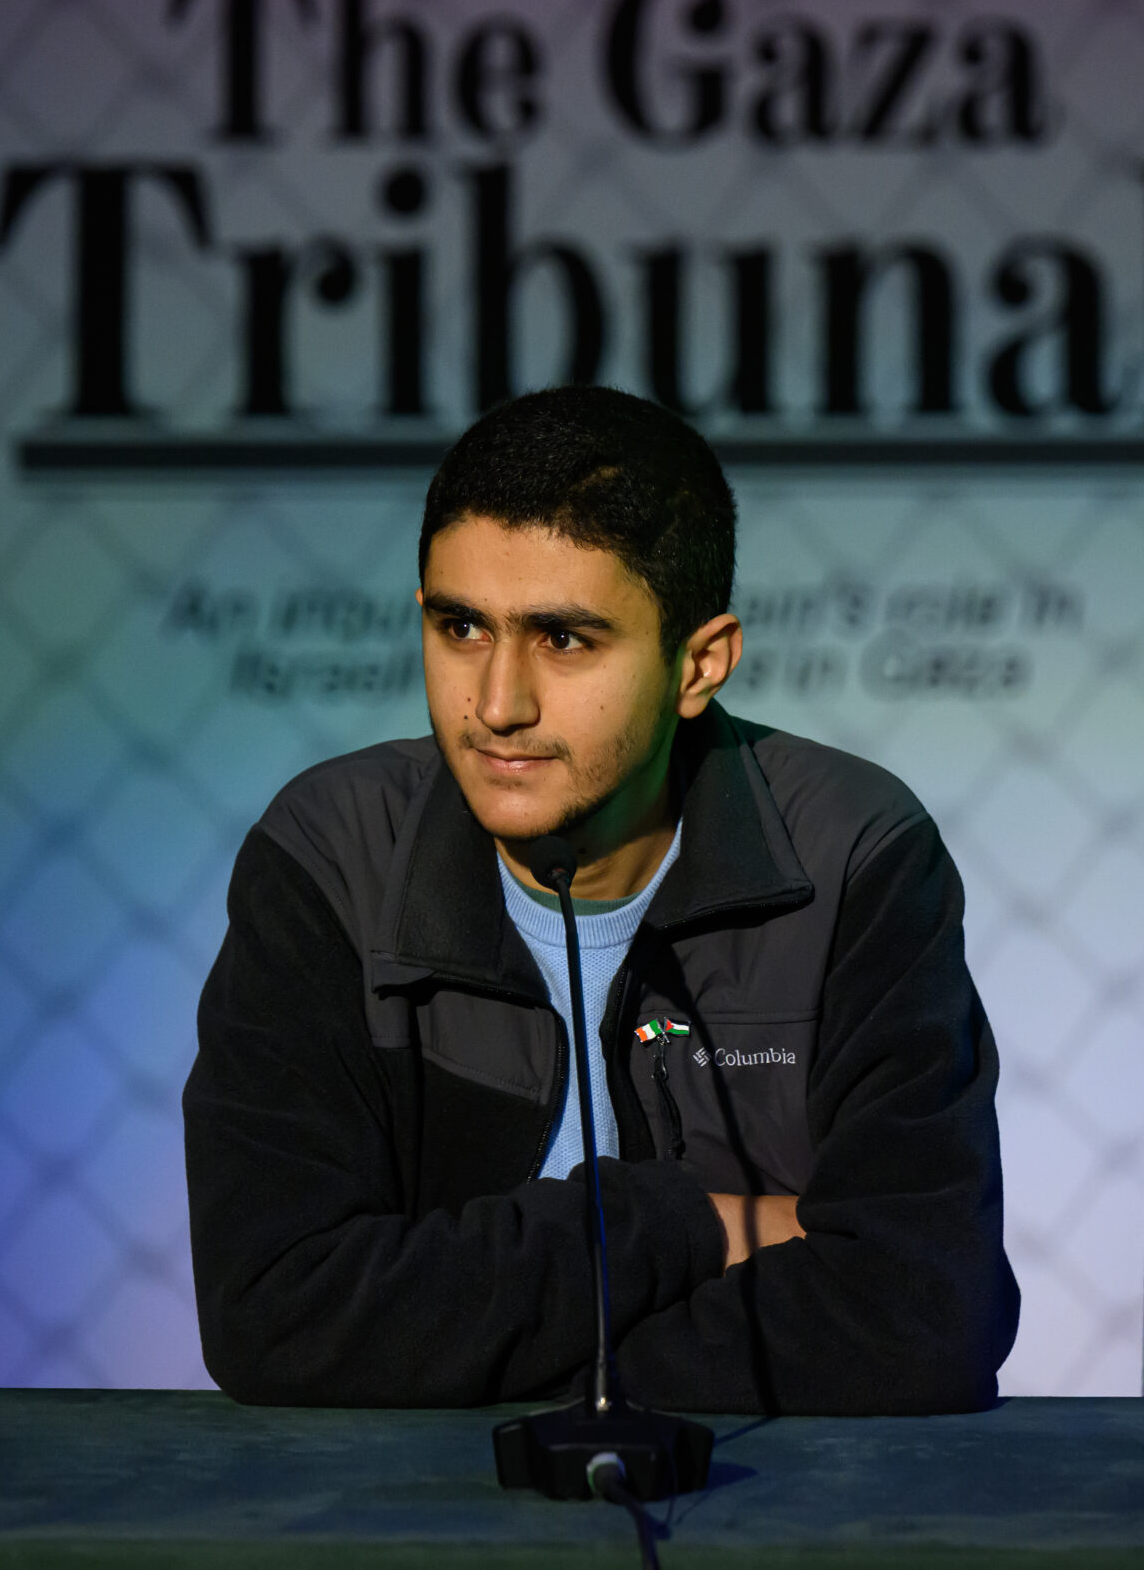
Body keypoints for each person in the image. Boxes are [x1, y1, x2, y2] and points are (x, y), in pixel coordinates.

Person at [183, 385, 1017, 1413]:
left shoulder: (855, 855)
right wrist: (691, 1223)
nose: (497, 704)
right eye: (461, 628)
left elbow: (927, 1310)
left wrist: (473, 1356)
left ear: (698, 664)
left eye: (565, 640)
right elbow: (276, 1312)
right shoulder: (329, 858)